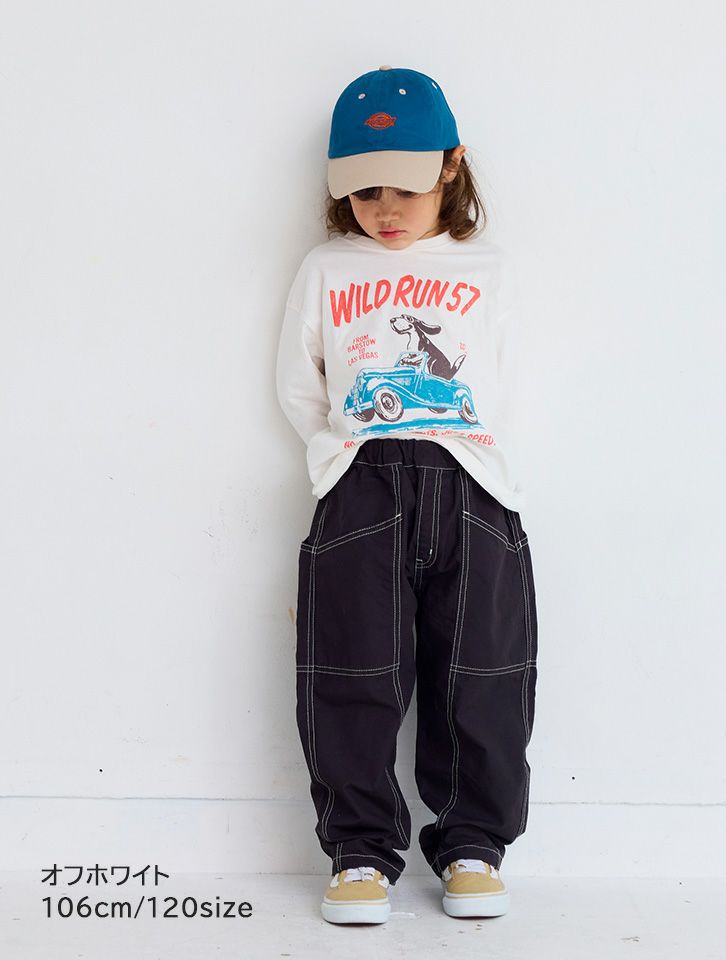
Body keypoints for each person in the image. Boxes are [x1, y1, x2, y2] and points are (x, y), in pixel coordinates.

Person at [275, 65, 538, 925]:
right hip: (362, 488)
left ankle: (473, 844)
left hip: (472, 486)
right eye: (365, 192)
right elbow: (300, 382)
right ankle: (359, 851)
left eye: (406, 188)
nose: (386, 209)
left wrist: (484, 466)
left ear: (451, 167)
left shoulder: (487, 269)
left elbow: (503, 382)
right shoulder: (328, 267)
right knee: (352, 672)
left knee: (482, 674)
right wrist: (340, 458)